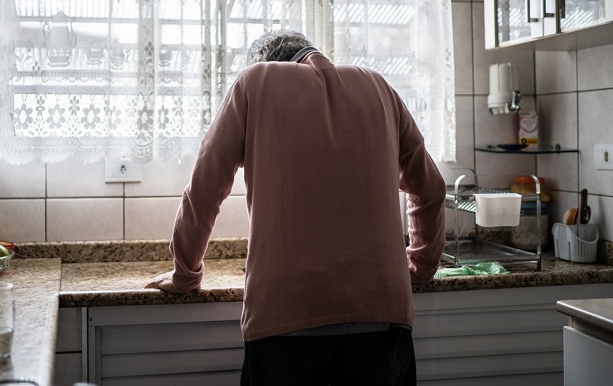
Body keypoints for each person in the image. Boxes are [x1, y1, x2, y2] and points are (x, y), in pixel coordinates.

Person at [146, 31, 445, 385]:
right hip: (381, 320)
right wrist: (421, 267)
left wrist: (185, 272)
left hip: (284, 324)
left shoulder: (255, 82)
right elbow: (431, 189)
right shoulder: (380, 88)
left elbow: (205, 188)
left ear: (269, 62)